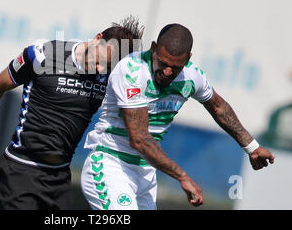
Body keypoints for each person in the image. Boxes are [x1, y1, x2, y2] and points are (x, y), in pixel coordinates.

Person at [0, 16, 144, 210]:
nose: (100, 69)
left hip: (59, 178)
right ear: (97, 38)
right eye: (101, 60)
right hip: (20, 170)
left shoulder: (112, 77)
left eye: (108, 66)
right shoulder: (43, 55)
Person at [81, 23, 275, 210]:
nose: (167, 72)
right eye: (163, 63)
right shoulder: (132, 71)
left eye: (175, 67)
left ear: (188, 58)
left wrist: (252, 146)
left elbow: (219, 108)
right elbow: (140, 140)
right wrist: (182, 176)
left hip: (146, 173)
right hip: (110, 165)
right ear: (154, 48)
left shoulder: (192, 76)